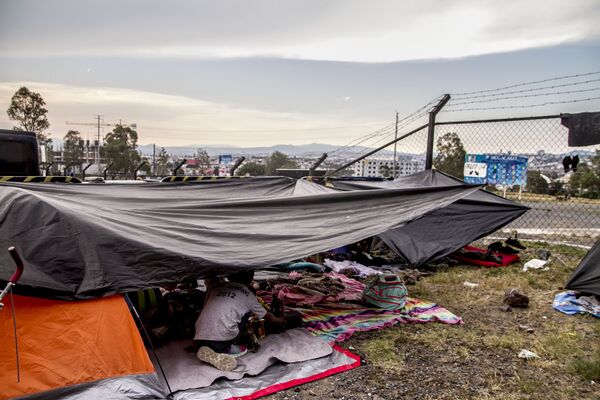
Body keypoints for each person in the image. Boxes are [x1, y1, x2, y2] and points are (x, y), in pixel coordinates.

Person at [193, 270, 286, 371]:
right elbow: (268, 317)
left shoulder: (215, 287)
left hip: (198, 337)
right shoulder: (248, 294)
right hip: (222, 339)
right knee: (246, 312)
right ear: (251, 278)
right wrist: (280, 320)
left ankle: (205, 348)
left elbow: (205, 307)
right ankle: (226, 349)